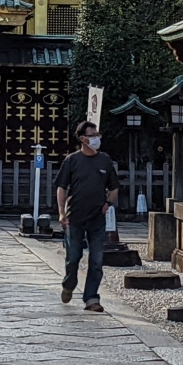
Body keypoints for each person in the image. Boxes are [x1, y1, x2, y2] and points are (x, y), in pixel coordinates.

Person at [54, 120, 119, 313]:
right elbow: (62, 187)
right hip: (74, 216)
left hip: (97, 217)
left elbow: (114, 187)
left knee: (96, 260)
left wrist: (108, 203)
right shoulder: (72, 160)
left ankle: (91, 298)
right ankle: (69, 284)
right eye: (93, 136)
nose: (97, 138)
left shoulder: (105, 160)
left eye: (98, 135)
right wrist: (61, 212)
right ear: (83, 139)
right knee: (73, 257)